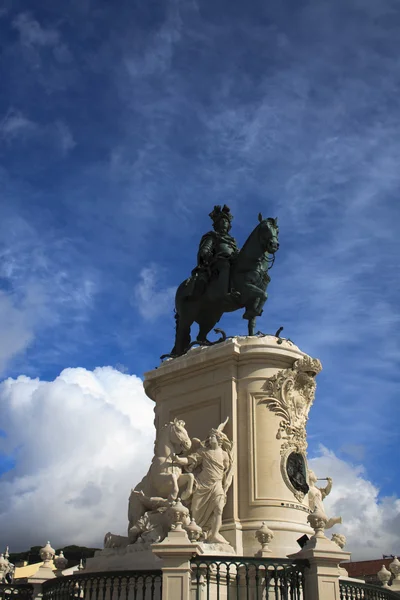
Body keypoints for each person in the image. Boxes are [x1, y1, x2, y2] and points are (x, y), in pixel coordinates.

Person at [174, 420, 234, 544]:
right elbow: (191, 460)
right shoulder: (204, 452)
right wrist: (178, 460)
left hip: (217, 485)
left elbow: (226, 469)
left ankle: (215, 534)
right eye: (210, 436)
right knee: (195, 510)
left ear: (219, 439)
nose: (209, 438)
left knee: (218, 509)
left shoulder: (224, 455)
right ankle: (196, 533)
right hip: (202, 485)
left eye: (212, 436)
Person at [187, 205, 239, 302]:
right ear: (217, 224)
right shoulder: (212, 235)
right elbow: (206, 247)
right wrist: (205, 252)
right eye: (222, 221)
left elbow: (236, 251)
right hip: (216, 261)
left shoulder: (232, 240)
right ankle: (225, 294)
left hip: (232, 260)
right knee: (224, 265)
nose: (224, 223)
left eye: (226, 221)